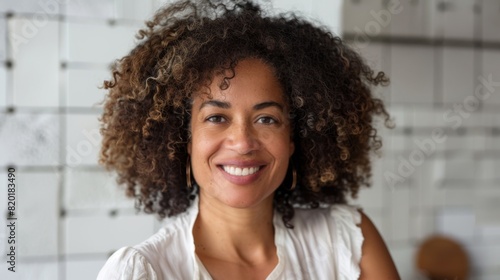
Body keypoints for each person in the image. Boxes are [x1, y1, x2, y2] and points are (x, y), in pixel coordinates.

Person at [97, 0, 400, 279]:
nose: (242, 143)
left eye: (266, 119)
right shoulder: (144, 271)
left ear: (294, 139)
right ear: (184, 140)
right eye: (217, 118)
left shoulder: (348, 243)